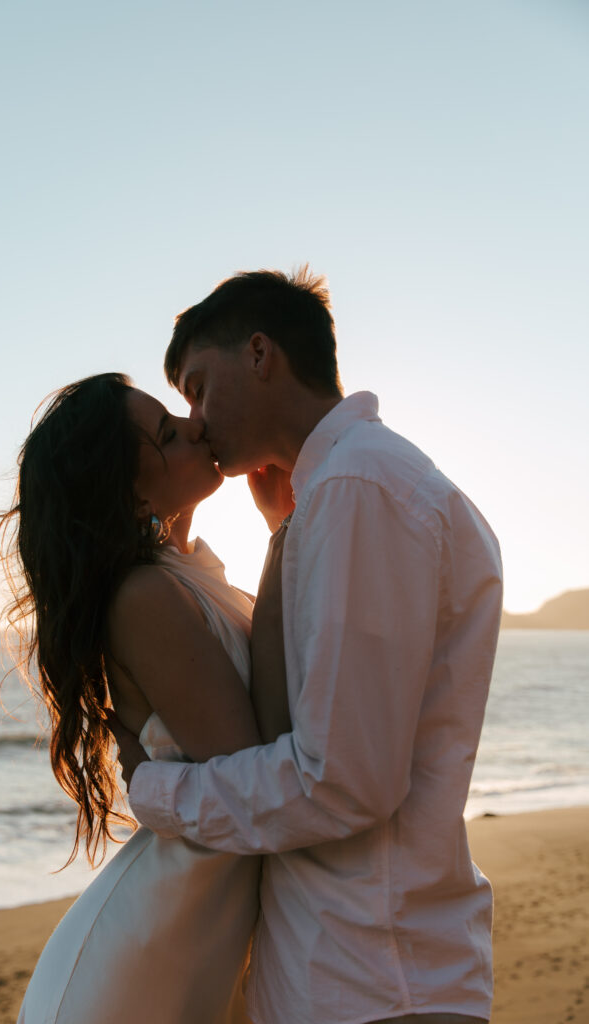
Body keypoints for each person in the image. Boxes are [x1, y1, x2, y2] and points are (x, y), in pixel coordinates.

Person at [114, 268, 504, 1024]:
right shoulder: (347, 491)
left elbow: (342, 782)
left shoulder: (361, 489)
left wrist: (155, 792)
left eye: (198, 386)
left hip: (372, 976)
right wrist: (283, 534)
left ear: (259, 354)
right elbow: (316, 716)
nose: (194, 419)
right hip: (351, 966)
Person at [0, 373, 265, 1024]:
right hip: (142, 966)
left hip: (193, 941)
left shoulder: (193, 577)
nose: (196, 425)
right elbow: (261, 780)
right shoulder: (144, 595)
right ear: (130, 491)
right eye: (169, 433)